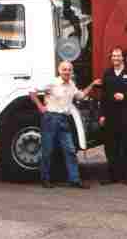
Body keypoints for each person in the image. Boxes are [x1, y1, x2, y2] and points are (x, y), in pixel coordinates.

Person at [30, 60, 97, 189]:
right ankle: (45, 179)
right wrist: (40, 107)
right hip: (50, 118)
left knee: (70, 150)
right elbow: (32, 91)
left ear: (72, 72)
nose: (67, 72)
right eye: (64, 69)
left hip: (64, 120)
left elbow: (81, 96)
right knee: (48, 150)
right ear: (59, 71)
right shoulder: (52, 83)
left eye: (69, 70)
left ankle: (74, 180)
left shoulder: (72, 84)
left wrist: (92, 85)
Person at [98, 47, 127, 187]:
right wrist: (102, 115)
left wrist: (125, 96)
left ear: (123, 57)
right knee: (111, 147)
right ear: (111, 58)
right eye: (113, 56)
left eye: (118, 56)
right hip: (110, 115)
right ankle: (113, 176)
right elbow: (103, 96)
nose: (116, 58)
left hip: (126, 114)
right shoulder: (107, 73)